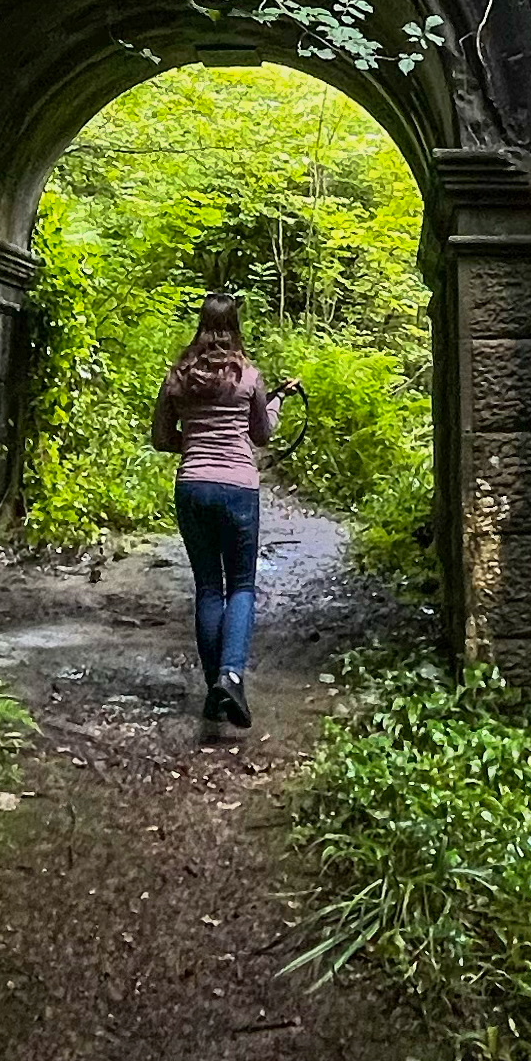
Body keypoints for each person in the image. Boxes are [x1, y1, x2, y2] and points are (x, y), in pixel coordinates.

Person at [150, 288, 294, 739]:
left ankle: (217, 686)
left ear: (200, 325)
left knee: (209, 586)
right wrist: (278, 401)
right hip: (238, 488)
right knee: (242, 586)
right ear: (235, 326)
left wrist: (195, 444)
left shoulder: (177, 377)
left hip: (192, 487)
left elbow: (161, 438)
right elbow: (262, 434)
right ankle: (230, 676)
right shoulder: (248, 376)